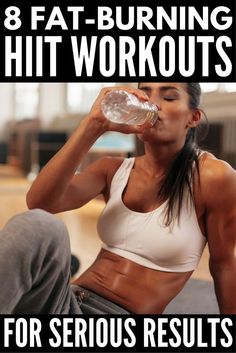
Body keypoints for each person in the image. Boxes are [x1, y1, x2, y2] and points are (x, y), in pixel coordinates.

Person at [1, 82, 235, 314]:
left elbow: (224, 265)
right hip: (68, 303)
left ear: (193, 117)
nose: (152, 103)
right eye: (144, 94)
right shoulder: (112, 170)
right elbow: (40, 203)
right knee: (40, 225)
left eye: (169, 97)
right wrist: (92, 125)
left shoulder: (213, 177)